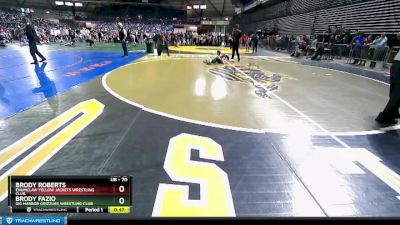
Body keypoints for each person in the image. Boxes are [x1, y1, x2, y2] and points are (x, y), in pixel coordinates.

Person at [375, 50, 400, 125]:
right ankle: (384, 117)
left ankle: (392, 114)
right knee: (397, 94)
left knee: (395, 92)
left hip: (396, 63)